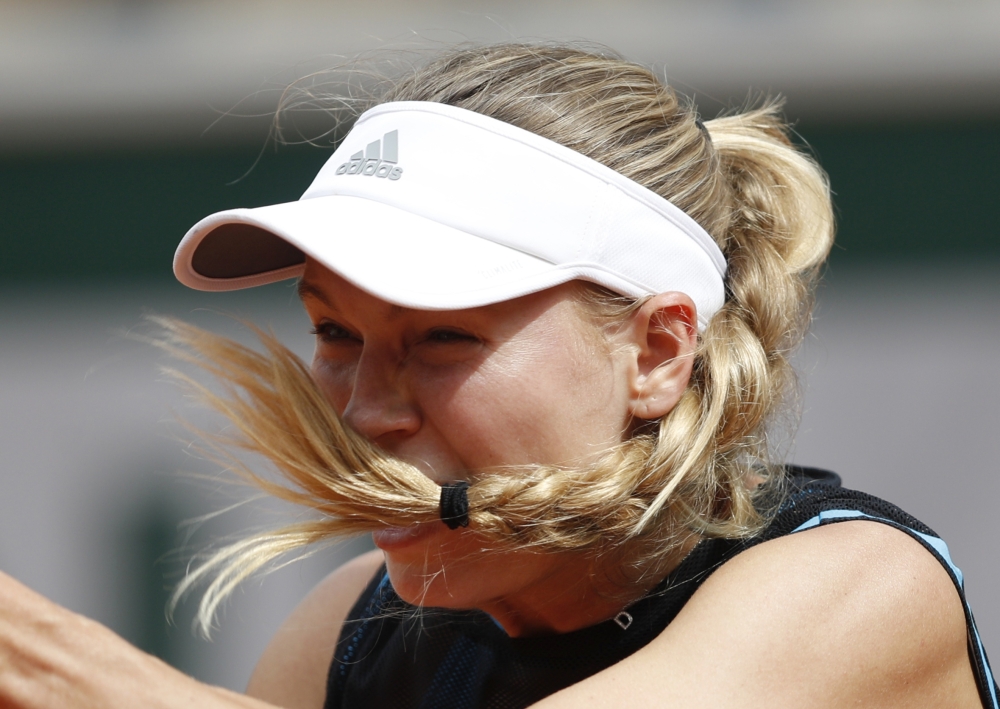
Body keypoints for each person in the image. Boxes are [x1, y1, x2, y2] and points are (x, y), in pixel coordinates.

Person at [0, 42, 995, 709]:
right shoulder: (352, 625)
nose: (364, 408)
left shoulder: (858, 588)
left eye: (439, 339)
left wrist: (68, 668)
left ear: (655, 352)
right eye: (335, 333)